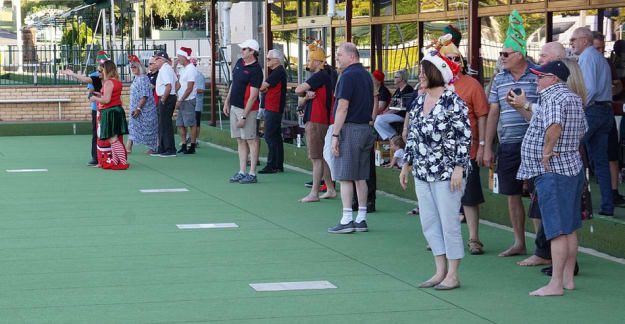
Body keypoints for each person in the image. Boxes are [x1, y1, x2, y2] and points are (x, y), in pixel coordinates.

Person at [400, 43, 469, 290]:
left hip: (447, 173)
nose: (419, 75)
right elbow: (413, 135)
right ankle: (439, 270)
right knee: (429, 221)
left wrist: (459, 169)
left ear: (436, 74)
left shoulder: (454, 101)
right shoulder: (419, 101)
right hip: (422, 170)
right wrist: (406, 164)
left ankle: (453, 274)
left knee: (449, 221)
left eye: (423, 71)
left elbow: (464, 136)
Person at [517, 60, 587, 296]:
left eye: (540, 76)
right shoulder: (573, 98)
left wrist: (547, 152)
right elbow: (581, 130)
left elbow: (554, 126)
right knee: (568, 228)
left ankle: (556, 284)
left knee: (557, 230)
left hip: (553, 171)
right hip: (571, 168)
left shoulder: (553, 97)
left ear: (553, 79)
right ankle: (567, 280)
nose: (536, 80)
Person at [484, 10, 538, 257]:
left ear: (520, 54)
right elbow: (492, 112)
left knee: (538, 193)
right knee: (512, 193)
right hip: (508, 143)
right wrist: (487, 145)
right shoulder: (499, 79)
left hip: (536, 143)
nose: (502, 57)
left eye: (505, 54)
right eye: (501, 54)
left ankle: (542, 246)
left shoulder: (539, 75)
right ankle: (519, 242)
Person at [508, 41, 566, 268]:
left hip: (554, 163)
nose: (539, 60)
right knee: (541, 206)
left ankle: (557, 262)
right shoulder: (550, 88)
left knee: (557, 215)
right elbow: (540, 120)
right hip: (542, 163)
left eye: (544, 56)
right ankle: (546, 253)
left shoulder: (563, 87)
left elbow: (556, 123)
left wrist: (547, 153)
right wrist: (520, 107)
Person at [439, 40, 489, 255]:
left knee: (469, 198)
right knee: (442, 197)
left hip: (467, 151)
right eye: (447, 59)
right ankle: (442, 238)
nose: (452, 63)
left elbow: (483, 115)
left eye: (456, 59)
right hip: (440, 153)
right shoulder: (434, 85)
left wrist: (484, 145)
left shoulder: (472, 84)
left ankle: (473, 238)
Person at [327, 42, 375, 233]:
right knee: (360, 176)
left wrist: (335, 134)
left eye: (339, 54)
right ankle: (361, 218)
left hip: (350, 128)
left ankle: (347, 219)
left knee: (345, 176)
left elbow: (342, 107)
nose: (337, 57)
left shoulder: (347, 76)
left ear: (351, 56)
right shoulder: (366, 75)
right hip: (365, 128)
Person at [570, 27, 614, 216]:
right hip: (605, 111)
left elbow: (590, 88)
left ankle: (580, 202)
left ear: (585, 40)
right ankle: (607, 205)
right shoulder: (599, 58)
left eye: (574, 39)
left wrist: (577, 108)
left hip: (592, 110)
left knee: (572, 152)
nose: (571, 42)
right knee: (601, 160)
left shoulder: (587, 57)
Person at [295, 42, 337, 202]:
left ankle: (314, 193)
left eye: (309, 59)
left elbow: (299, 90)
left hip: (317, 120)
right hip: (321, 119)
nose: (307, 62)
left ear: (317, 61)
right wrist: (306, 97)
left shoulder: (319, 76)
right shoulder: (327, 74)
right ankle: (330, 189)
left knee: (316, 158)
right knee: (322, 157)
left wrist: (304, 94)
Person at [223, 39, 263, 184]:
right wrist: (227, 102)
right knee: (240, 140)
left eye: (245, 49)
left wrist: (244, 117)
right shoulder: (240, 63)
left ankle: (252, 173)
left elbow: (253, 97)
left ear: (252, 52)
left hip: (248, 111)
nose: (242, 51)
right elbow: (234, 83)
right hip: (235, 106)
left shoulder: (256, 70)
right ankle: (242, 171)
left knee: (251, 140)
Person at [60, 51, 109, 166]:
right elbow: (89, 88)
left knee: (110, 133)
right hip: (97, 108)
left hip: (109, 108)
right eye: (99, 67)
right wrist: (72, 74)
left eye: (103, 66)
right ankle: (96, 157)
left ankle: (110, 157)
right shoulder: (94, 76)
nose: (100, 70)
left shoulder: (112, 79)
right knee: (96, 133)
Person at [593, 32, 625, 207]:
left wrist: (610, 92)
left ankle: (612, 194)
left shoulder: (607, 63)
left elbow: (618, 83)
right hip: (589, 112)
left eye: (602, 48)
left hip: (606, 111)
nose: (600, 51)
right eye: (597, 48)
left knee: (611, 153)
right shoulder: (582, 62)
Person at [89, 60, 130, 170]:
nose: (100, 71)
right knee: (115, 138)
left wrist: (94, 98)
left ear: (107, 69)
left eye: (102, 69)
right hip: (117, 110)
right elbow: (112, 96)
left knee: (113, 139)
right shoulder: (116, 81)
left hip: (110, 111)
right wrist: (100, 94)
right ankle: (116, 162)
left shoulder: (108, 83)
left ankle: (122, 162)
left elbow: (106, 100)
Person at [258, 49, 287, 174]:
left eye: (269, 59)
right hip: (273, 107)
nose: (267, 61)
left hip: (274, 107)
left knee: (270, 136)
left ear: (277, 60)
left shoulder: (278, 71)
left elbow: (262, 87)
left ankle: (272, 164)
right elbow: (264, 88)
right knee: (275, 136)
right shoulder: (277, 72)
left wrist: (264, 88)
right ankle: (277, 164)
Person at [126, 55, 158, 154]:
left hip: (144, 109)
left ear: (139, 67)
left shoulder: (143, 78)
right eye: (131, 67)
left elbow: (145, 96)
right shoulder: (137, 78)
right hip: (135, 108)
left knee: (149, 129)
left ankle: (153, 147)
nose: (132, 69)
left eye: (134, 67)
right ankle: (128, 147)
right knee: (133, 126)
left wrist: (139, 108)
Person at [373, 69, 414, 140]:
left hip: (402, 115)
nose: (393, 79)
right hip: (394, 114)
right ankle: (392, 138)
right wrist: (385, 112)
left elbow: (400, 107)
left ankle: (393, 137)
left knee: (379, 119)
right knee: (378, 119)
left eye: (396, 77)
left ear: (402, 78)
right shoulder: (398, 89)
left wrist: (386, 113)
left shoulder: (408, 89)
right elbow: (391, 103)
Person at [152, 50, 178, 157]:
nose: (155, 61)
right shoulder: (167, 69)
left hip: (166, 98)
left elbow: (169, 86)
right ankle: (163, 148)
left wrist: (164, 98)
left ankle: (169, 149)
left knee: (165, 124)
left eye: (157, 59)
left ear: (162, 60)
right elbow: (178, 84)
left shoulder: (165, 69)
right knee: (163, 123)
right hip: (169, 97)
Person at [173, 47, 199, 155]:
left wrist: (181, 100)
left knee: (191, 123)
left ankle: (192, 145)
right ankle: (184, 144)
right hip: (182, 99)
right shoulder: (183, 69)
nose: (178, 59)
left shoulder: (191, 69)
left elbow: (190, 87)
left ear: (184, 56)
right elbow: (178, 83)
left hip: (188, 100)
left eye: (179, 56)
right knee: (180, 124)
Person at [191, 58, 205, 147]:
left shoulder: (199, 76)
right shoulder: (189, 75)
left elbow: (201, 90)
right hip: (189, 102)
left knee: (196, 122)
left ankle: (195, 140)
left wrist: (190, 89)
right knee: (189, 122)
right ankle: (190, 138)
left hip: (197, 103)